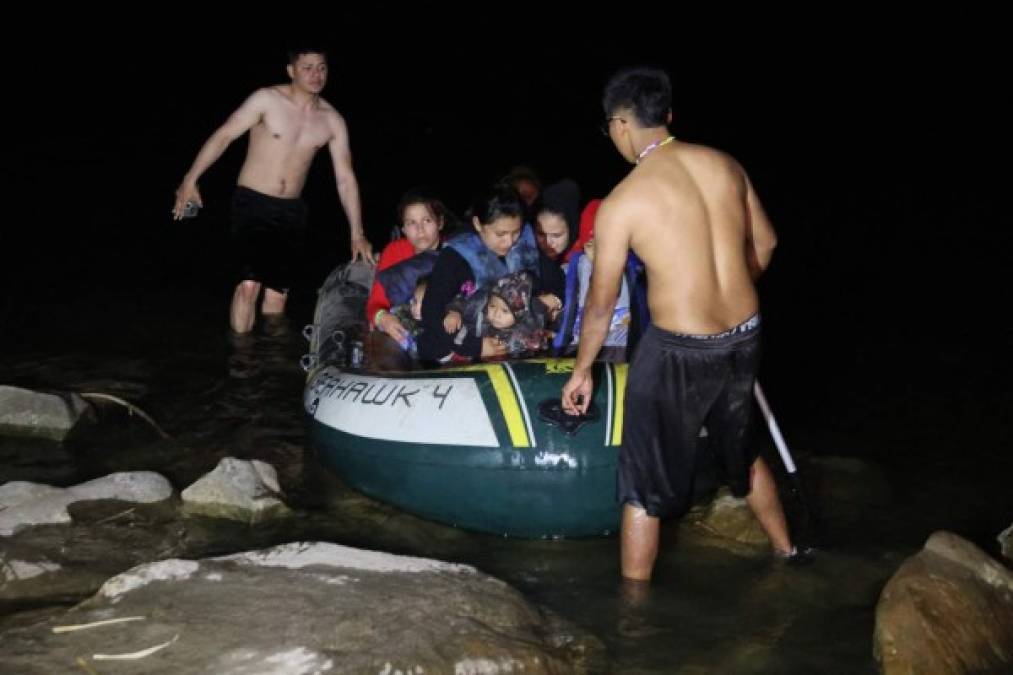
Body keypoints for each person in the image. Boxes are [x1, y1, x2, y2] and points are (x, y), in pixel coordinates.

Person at [561, 66, 798, 581]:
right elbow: (769, 243)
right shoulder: (727, 165)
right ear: (667, 116)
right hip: (744, 335)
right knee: (744, 447)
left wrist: (582, 371)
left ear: (620, 125)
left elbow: (600, 305)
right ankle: (787, 553)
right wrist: (731, 286)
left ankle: (635, 614)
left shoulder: (624, 200)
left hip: (678, 352)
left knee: (643, 483)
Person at [172, 46, 374, 334]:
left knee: (278, 296)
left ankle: (269, 365)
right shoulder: (266, 100)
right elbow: (225, 135)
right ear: (291, 71)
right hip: (252, 202)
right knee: (248, 286)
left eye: (321, 67)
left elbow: (345, 177)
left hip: (292, 211)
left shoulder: (332, 120)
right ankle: (241, 363)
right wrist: (190, 179)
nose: (316, 74)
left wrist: (357, 232)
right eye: (307, 67)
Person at [419, 183, 564, 364]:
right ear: (478, 223)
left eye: (516, 232)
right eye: (500, 234)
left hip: (521, 348)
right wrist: (476, 346)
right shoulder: (457, 256)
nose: (509, 241)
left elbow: (559, 284)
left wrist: (554, 300)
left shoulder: (526, 246)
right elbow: (431, 311)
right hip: (467, 349)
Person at [367, 189, 452, 345]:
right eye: (411, 223)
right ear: (404, 229)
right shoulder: (394, 251)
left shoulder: (456, 251)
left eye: (427, 220)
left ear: (440, 222)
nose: (420, 229)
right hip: (408, 330)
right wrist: (382, 318)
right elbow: (376, 302)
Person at [443, 271, 549, 358]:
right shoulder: (479, 307)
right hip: (467, 354)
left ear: (520, 314)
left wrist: (538, 341)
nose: (496, 314)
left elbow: (536, 344)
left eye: (505, 311)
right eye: (492, 306)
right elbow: (463, 301)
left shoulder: (526, 332)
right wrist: (454, 312)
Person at [534, 179, 581, 264]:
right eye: (541, 234)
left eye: (556, 235)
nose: (548, 242)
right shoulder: (527, 259)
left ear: (572, 230)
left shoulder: (584, 264)